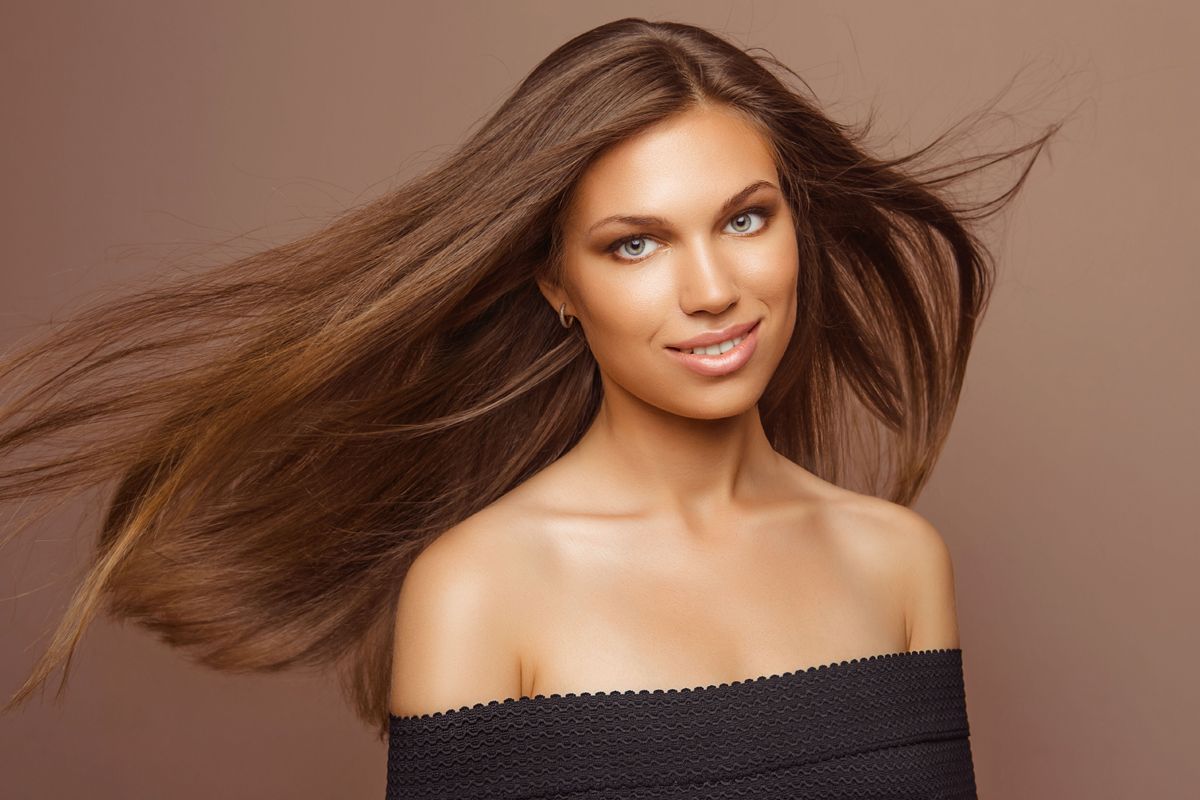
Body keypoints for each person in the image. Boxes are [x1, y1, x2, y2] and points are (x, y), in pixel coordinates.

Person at [1, 16, 1065, 799]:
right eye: (634, 243)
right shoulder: (478, 588)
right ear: (557, 282)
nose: (710, 287)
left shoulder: (898, 562)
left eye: (745, 219)